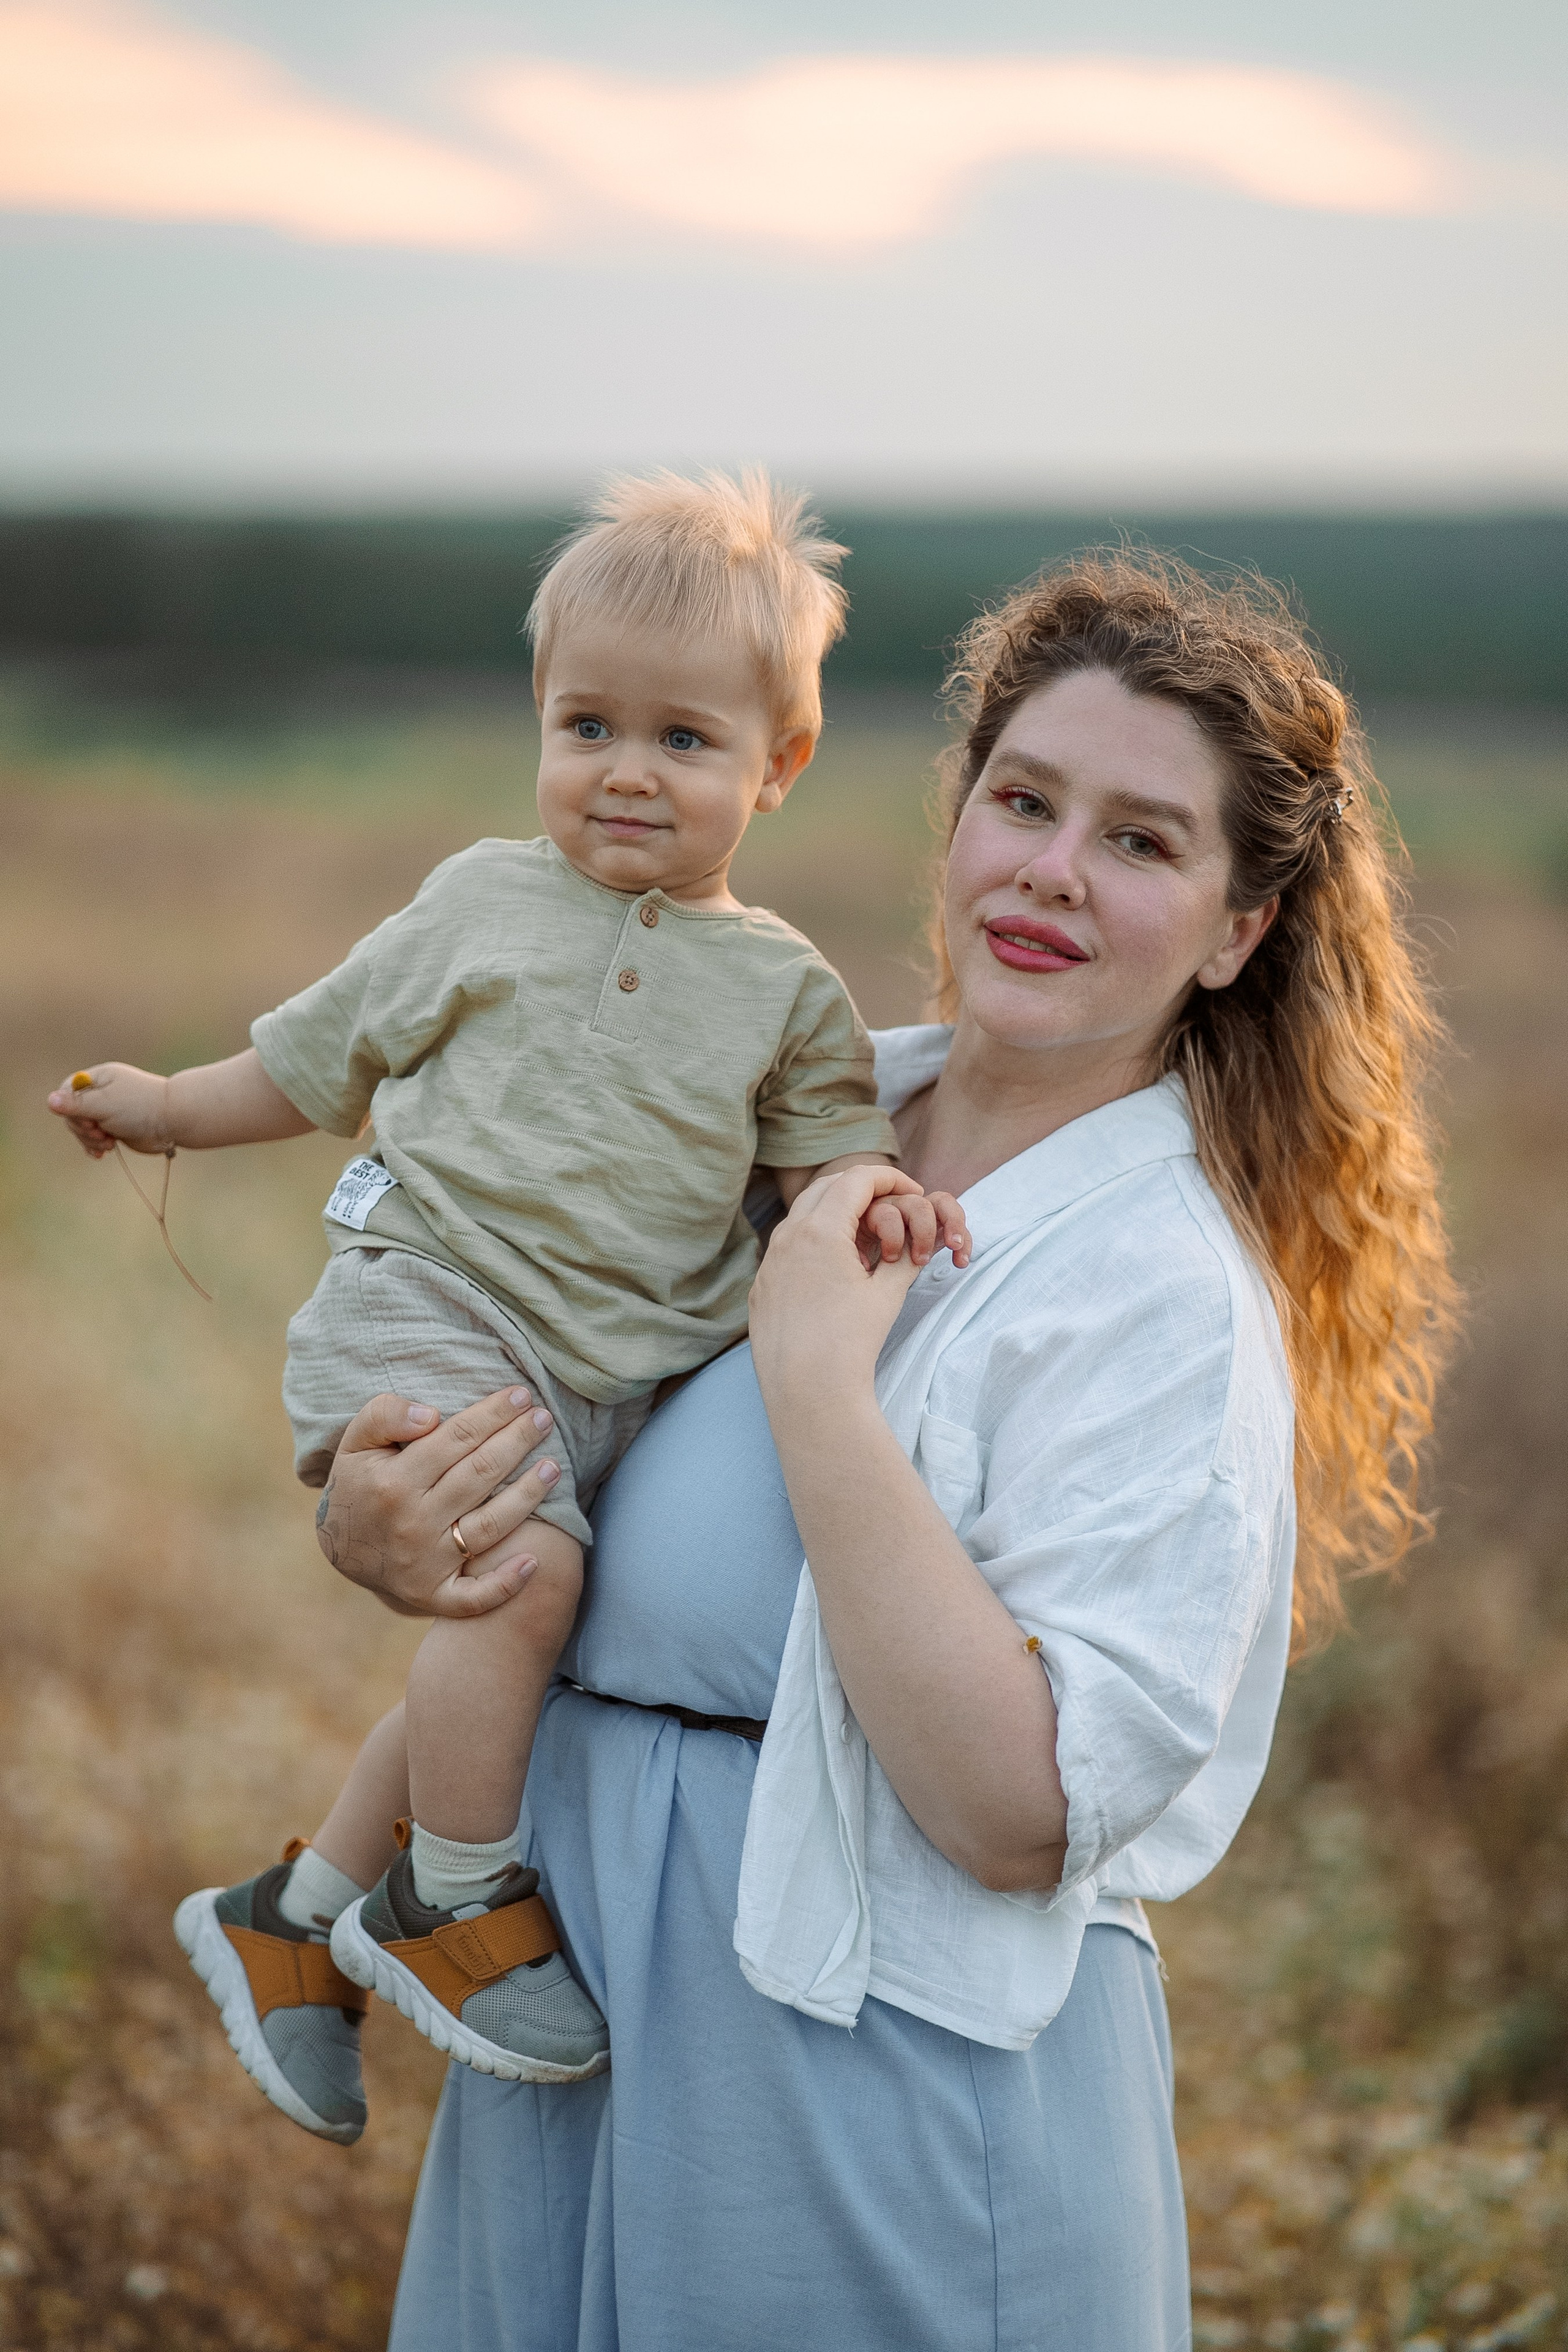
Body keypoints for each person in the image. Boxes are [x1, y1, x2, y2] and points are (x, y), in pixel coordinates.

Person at [266, 553, 1457, 2347]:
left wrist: (820, 1390)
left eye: (1142, 842)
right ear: (957, 819)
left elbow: (1014, 1810)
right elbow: (525, 1408)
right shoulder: (769, 1123)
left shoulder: (1161, 1296)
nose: (1053, 868)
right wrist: (382, 1513)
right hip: (578, 2025)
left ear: (1237, 929)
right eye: (1025, 800)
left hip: (864, 2081)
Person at [45, 471, 971, 2143]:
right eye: (586, 724)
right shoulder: (479, 900)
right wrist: (166, 1104)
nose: (626, 770)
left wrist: (879, 1193)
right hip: (434, 1301)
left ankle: (295, 1915)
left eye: (684, 740)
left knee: (515, 1637)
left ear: (783, 762)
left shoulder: (785, 990)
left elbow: (831, 1155)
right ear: (537, 722)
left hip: (612, 1376)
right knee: (520, 1580)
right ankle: (455, 1903)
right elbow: (314, 1060)